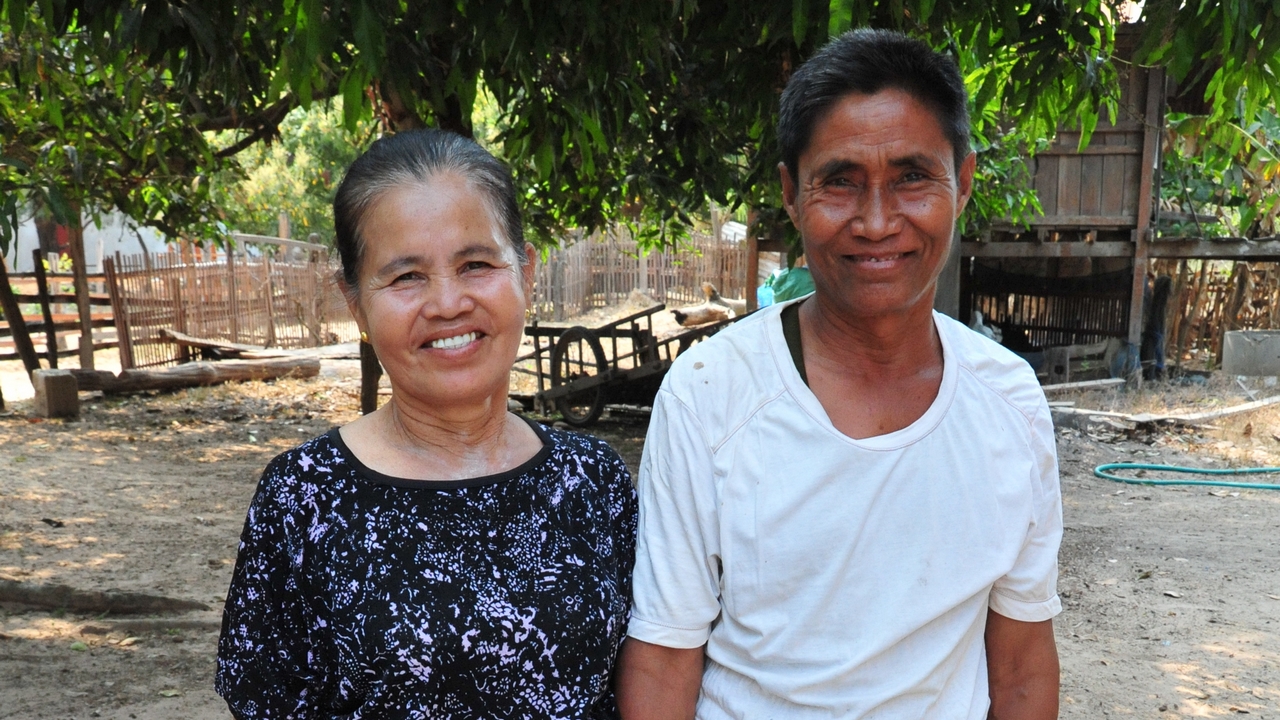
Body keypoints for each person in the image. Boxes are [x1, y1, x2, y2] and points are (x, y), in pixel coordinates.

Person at [618, 28, 1062, 719]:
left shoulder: (1009, 400)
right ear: (792, 195)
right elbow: (665, 654)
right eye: (840, 182)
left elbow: (1023, 659)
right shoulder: (710, 393)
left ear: (964, 183)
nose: (878, 221)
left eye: (912, 177)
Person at [216, 129, 637, 718]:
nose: (447, 303)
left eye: (477, 264)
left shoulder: (595, 482)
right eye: (407, 276)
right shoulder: (302, 496)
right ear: (357, 302)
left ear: (527, 272)